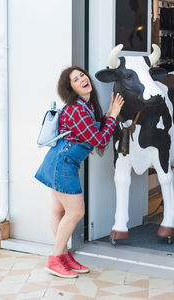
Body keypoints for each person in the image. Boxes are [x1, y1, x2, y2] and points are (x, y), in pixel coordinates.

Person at [35, 66, 124, 278]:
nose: (82, 78)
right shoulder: (76, 109)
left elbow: (94, 132)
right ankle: (55, 259)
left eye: (82, 75)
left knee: (59, 211)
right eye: (76, 79)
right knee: (75, 212)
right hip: (62, 164)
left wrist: (109, 113)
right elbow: (100, 140)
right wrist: (114, 116)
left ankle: (63, 256)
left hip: (60, 162)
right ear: (72, 88)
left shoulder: (87, 107)